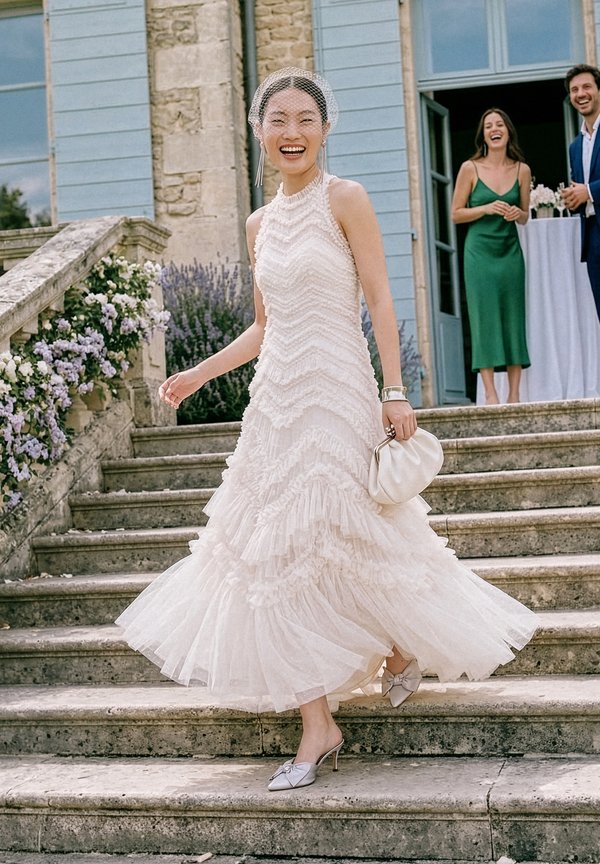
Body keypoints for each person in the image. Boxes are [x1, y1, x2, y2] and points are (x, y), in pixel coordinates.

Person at [116, 68, 538, 792]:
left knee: (345, 537)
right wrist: (198, 376)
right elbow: (260, 327)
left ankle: (400, 648)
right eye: (277, 119)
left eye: (304, 119)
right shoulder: (256, 223)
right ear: (260, 130)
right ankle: (320, 720)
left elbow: (378, 295)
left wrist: (395, 391)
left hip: (339, 391)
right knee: (273, 553)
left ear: (324, 126)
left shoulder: (346, 199)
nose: (291, 132)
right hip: (276, 399)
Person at [451, 108, 531, 405]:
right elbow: (455, 213)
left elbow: (524, 217)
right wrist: (485, 208)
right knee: (484, 319)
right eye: (488, 126)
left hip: (509, 252)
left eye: (499, 124)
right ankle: (490, 393)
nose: (494, 129)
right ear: (483, 135)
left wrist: (516, 212)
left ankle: (514, 394)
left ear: (508, 131)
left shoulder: (522, 170)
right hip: (479, 254)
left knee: (513, 317)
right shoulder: (469, 168)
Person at [562, 63, 600, 323]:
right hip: (593, 240)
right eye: (574, 90)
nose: (580, 94)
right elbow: (581, 193)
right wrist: (573, 197)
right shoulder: (575, 146)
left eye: (586, 87)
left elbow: (588, 190)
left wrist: (589, 191)